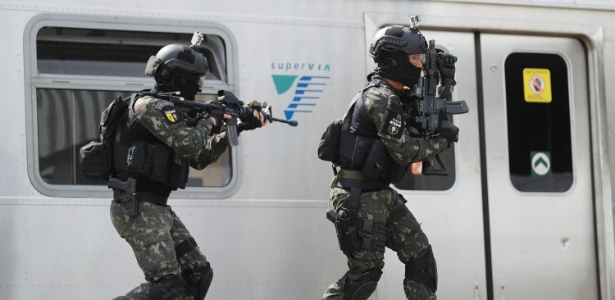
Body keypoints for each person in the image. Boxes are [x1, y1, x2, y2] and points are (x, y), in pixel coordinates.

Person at [109, 42, 267, 300]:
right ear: (180, 77)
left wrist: (237, 127)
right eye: (197, 79)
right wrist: (213, 118)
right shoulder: (148, 106)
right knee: (167, 285)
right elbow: (192, 143)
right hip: (136, 206)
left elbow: (199, 157)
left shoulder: (172, 112)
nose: (200, 85)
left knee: (198, 273)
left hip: (157, 207)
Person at [320, 24, 459, 300]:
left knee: (420, 258)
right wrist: (443, 141)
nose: (419, 64)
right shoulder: (380, 98)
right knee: (364, 277)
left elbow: (431, 116)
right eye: (414, 58)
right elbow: (405, 152)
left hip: (379, 192)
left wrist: (447, 82)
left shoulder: (396, 96)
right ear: (394, 60)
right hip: (359, 197)